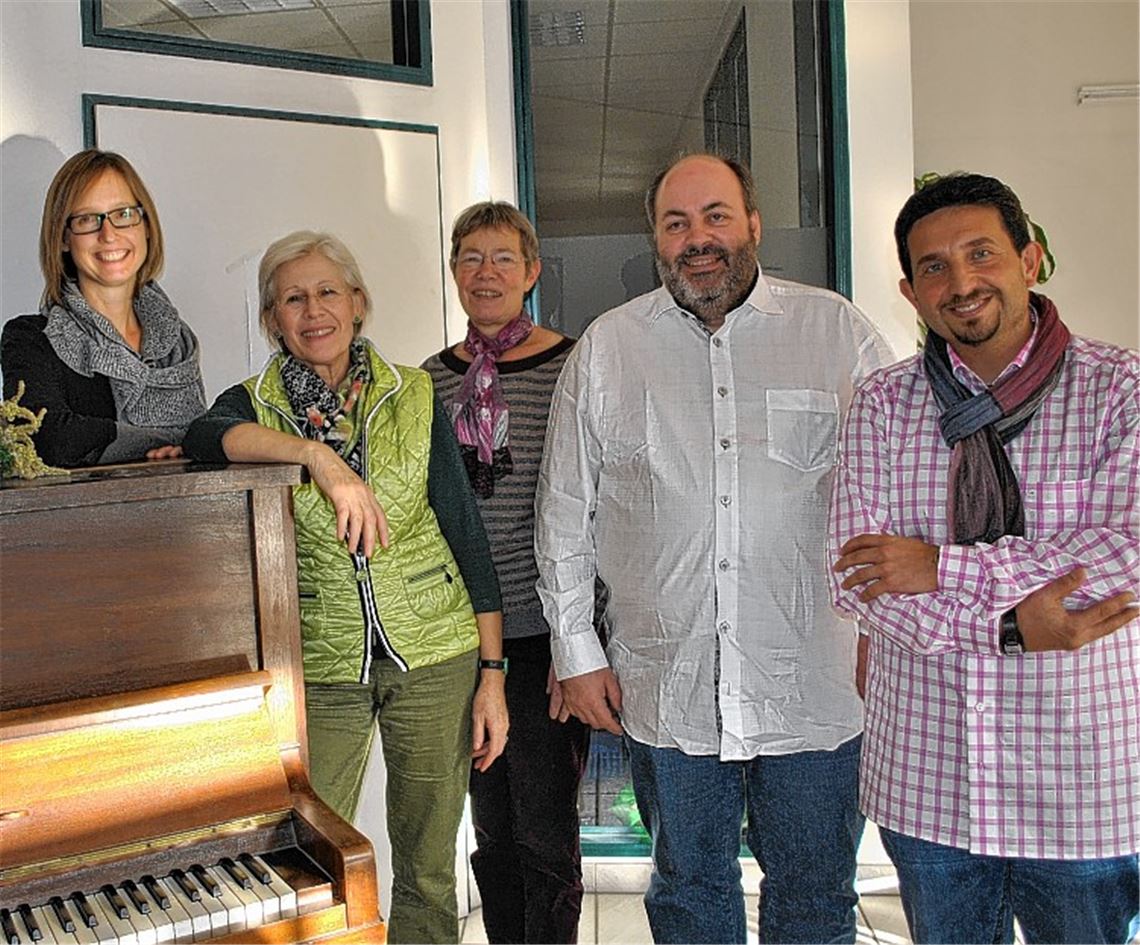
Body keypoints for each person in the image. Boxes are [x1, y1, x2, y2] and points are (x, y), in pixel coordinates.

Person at [535, 153, 895, 944]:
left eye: (716, 216)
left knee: (815, 900)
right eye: (677, 222)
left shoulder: (836, 332)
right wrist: (575, 648)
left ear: (754, 225)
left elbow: (902, 494)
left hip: (816, 685)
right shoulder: (608, 349)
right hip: (669, 686)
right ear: (657, 240)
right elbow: (564, 512)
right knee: (690, 896)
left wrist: (888, 633)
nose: (698, 238)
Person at [829, 172, 1139, 944]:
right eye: (934, 266)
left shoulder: (1118, 391)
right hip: (931, 783)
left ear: (1029, 259)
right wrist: (1011, 628)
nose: (961, 282)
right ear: (909, 290)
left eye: (981, 254)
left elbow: (1127, 551)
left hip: (1082, 780)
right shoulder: (881, 404)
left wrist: (944, 566)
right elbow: (863, 582)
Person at [183, 230, 508, 944]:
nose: (313, 310)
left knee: (427, 866)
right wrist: (316, 457)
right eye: (292, 298)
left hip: (436, 653)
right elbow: (206, 438)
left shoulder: (414, 392)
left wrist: (492, 674)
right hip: (322, 665)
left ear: (358, 303)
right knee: (312, 856)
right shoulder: (252, 403)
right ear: (272, 319)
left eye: (328, 291)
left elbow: (465, 532)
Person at [422, 201, 590, 944]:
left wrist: (579, 643)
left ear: (530, 270)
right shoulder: (428, 380)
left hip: (547, 637)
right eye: (470, 258)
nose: (484, 273)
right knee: (490, 827)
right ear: (454, 271)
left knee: (545, 831)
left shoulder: (575, 365)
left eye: (501, 258)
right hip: (459, 639)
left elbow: (602, 507)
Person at [1, 149, 205, 467]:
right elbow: (46, 437)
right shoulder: (32, 339)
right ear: (64, 238)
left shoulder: (176, 342)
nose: (109, 235)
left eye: (123, 214)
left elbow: (208, 438)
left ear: (146, 226)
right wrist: (162, 443)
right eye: (87, 220)